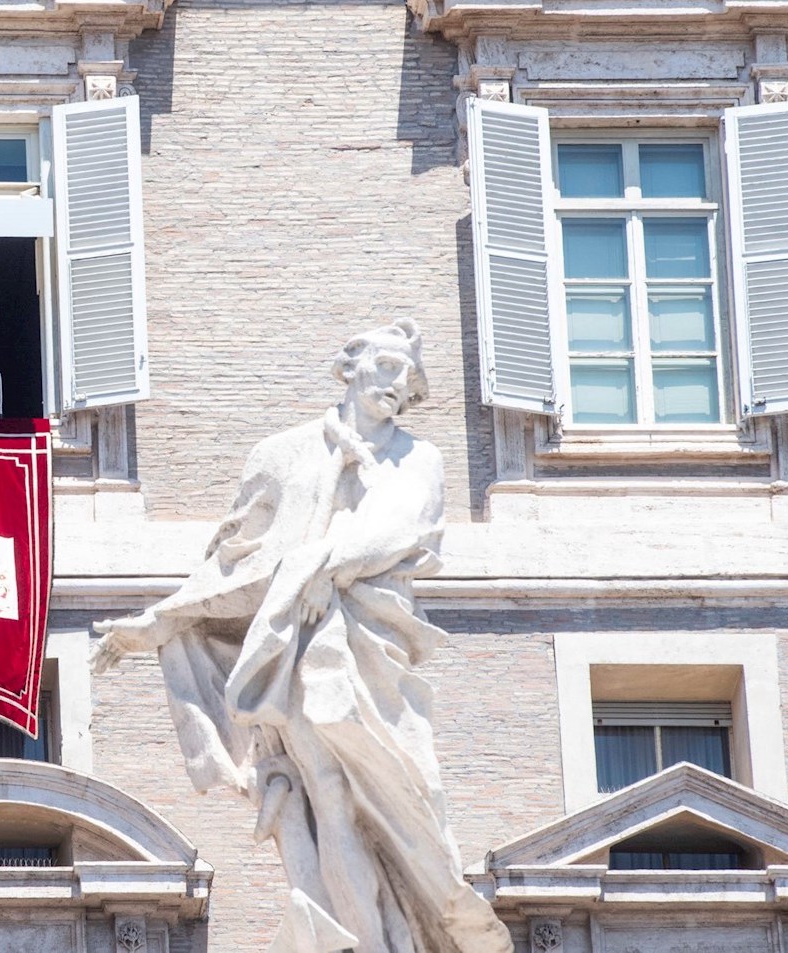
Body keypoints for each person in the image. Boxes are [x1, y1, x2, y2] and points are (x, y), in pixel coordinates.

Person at [89, 321, 511, 953]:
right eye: (390, 366)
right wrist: (162, 621)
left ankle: (407, 925)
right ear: (350, 367)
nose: (401, 386)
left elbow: (400, 528)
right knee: (331, 796)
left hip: (375, 642)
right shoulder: (281, 455)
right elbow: (239, 565)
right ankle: (357, 938)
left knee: (413, 798)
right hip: (306, 648)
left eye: (411, 379)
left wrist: (325, 566)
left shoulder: (418, 458)